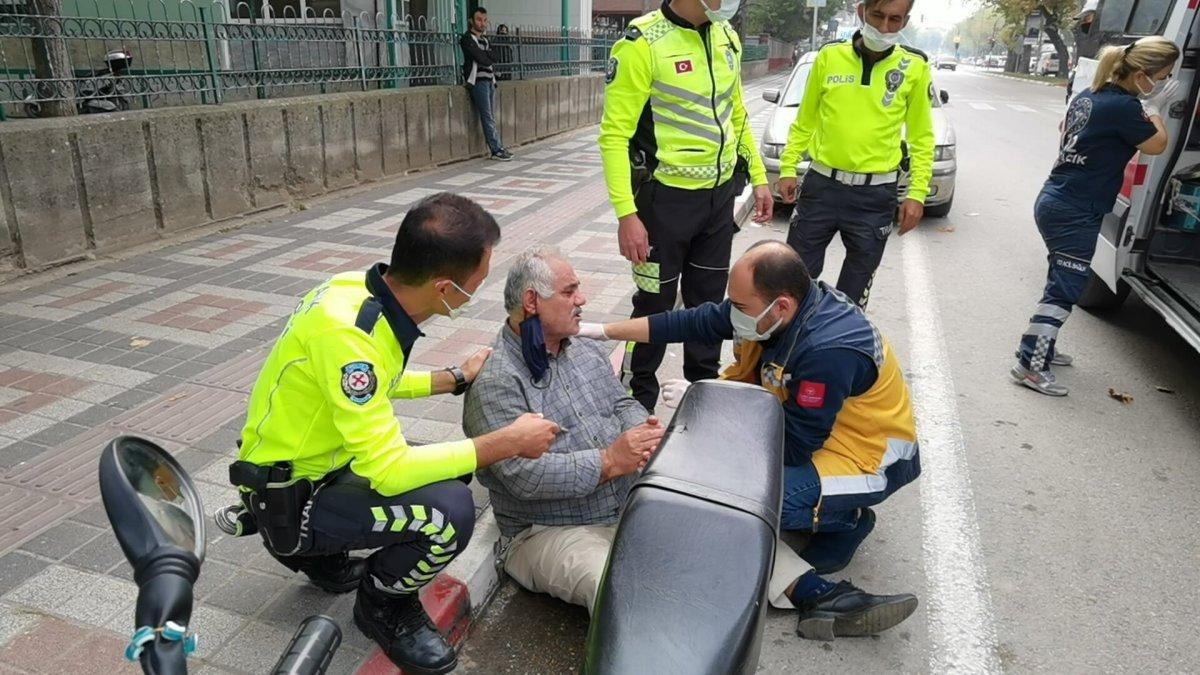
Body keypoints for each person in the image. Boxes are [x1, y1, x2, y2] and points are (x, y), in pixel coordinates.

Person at [227, 193, 559, 674]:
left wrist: (449, 379)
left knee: (449, 474)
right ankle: (382, 607)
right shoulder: (349, 335)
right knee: (449, 511)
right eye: (475, 284)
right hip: (292, 494)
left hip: (317, 464)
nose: (476, 291)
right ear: (445, 288)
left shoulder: (355, 291)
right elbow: (385, 468)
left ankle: (325, 555)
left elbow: (362, 380)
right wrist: (504, 443)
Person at [578, 241, 920, 639]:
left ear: (782, 306)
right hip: (820, 432)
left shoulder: (827, 349)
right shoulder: (773, 313)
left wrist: (706, 399)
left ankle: (845, 520)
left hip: (865, 458)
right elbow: (691, 322)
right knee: (722, 484)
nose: (731, 312)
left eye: (739, 306)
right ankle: (815, 584)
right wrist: (601, 331)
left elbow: (790, 445)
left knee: (748, 497)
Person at [462, 246, 665, 613]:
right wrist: (608, 461)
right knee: (622, 595)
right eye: (569, 292)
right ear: (531, 301)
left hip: (624, 504)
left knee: (707, 529)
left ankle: (802, 587)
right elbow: (521, 476)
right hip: (549, 532)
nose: (582, 299)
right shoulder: (498, 380)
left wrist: (642, 432)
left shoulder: (582, 348)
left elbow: (621, 403)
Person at [599, 0, 774, 413]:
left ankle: (704, 400)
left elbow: (738, 116)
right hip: (661, 206)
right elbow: (613, 136)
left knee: (709, 307)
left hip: (717, 203)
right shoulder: (641, 43)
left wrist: (760, 176)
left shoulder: (726, 36)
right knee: (653, 306)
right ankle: (635, 401)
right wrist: (627, 214)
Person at [1012, 37, 1181, 396]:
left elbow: (1065, 131)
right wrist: (1154, 110)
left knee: (1060, 278)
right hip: (1075, 210)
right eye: (1162, 77)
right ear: (1140, 75)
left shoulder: (1089, 95)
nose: (1164, 83)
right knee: (1064, 289)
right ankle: (1030, 364)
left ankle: (1044, 346)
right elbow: (1157, 145)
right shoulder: (1125, 108)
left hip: (1057, 200)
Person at [776, 0, 934, 308]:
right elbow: (805, 120)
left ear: (905, 21)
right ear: (862, 12)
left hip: (875, 198)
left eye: (895, 20)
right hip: (822, 188)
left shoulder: (914, 67)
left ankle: (838, 352)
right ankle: (788, 353)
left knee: (852, 298)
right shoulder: (829, 57)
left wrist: (917, 193)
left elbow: (921, 137)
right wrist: (787, 167)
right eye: (878, 16)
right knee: (792, 285)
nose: (885, 27)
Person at [460, 7, 513, 161]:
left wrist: (486, 55)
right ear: (471, 20)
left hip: (490, 81)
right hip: (478, 82)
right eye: (478, 20)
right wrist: (486, 55)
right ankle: (496, 149)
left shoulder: (485, 39)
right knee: (487, 116)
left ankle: (499, 147)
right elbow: (481, 58)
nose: (482, 23)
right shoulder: (467, 39)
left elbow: (494, 56)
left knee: (491, 116)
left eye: (484, 20)